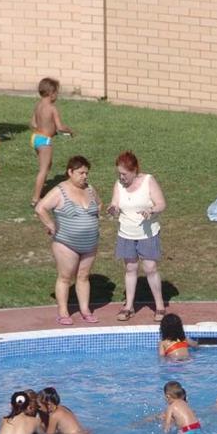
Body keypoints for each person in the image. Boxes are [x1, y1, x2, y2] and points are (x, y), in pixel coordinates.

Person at [34, 156, 100, 325]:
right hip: (66, 243)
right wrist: (50, 224)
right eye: (81, 173)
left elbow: (99, 205)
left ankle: (85, 310)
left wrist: (92, 217)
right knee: (65, 277)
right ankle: (63, 312)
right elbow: (40, 208)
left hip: (90, 243)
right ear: (70, 172)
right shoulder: (60, 190)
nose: (85, 176)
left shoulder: (90, 189)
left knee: (83, 277)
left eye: (86, 173)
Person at [107, 151, 167, 322]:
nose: (121, 177)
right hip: (126, 233)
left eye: (124, 174)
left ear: (134, 171)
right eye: (119, 173)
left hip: (147, 233)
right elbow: (115, 203)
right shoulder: (118, 185)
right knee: (130, 268)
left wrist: (151, 210)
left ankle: (160, 306)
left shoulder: (148, 181)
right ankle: (129, 306)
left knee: (150, 268)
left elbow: (161, 204)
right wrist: (113, 209)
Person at [30, 78, 73, 206]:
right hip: (45, 140)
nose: (57, 96)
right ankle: (36, 199)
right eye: (57, 93)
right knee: (43, 169)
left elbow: (33, 123)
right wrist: (69, 130)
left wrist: (45, 127)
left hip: (35, 138)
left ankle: (40, 190)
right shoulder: (52, 108)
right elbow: (60, 127)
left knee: (47, 165)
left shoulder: (38, 105)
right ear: (51, 93)